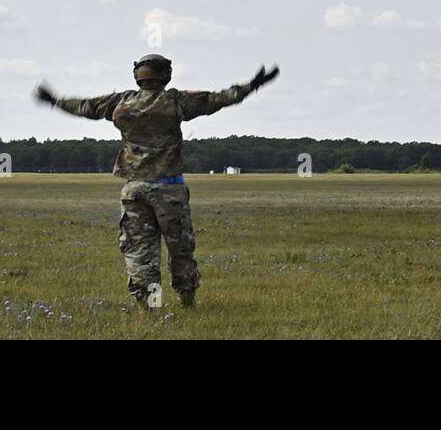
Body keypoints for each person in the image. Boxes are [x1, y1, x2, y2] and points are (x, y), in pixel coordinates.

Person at [33, 54, 279, 308]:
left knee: (140, 251)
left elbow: (85, 106)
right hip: (169, 187)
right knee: (180, 248)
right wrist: (253, 85)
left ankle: (148, 307)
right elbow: (219, 99)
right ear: (166, 76)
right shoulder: (174, 101)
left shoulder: (121, 103)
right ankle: (187, 303)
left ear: (138, 76)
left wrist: (54, 101)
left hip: (134, 188)